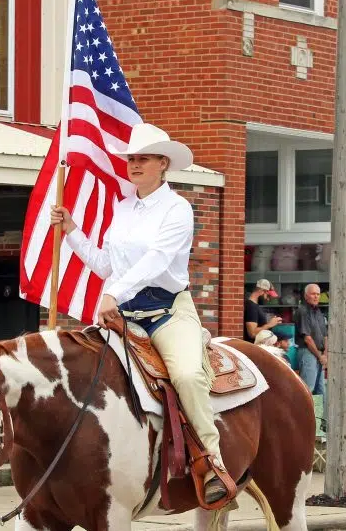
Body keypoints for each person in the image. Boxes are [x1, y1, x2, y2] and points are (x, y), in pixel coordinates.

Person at [51, 123, 230, 504]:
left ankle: (212, 461)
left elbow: (157, 260)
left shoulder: (178, 208)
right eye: (131, 159)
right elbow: (106, 265)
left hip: (167, 312)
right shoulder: (124, 207)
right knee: (80, 368)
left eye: (143, 158)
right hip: (124, 315)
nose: (134, 164)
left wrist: (112, 293)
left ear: (163, 164)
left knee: (186, 374)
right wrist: (72, 232)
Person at [295, 283, 328, 396]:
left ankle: (317, 414)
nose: (316, 296)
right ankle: (303, 414)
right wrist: (320, 356)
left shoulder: (319, 313)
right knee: (309, 389)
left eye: (318, 294)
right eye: (313, 294)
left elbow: (325, 336)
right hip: (307, 352)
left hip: (319, 354)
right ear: (305, 296)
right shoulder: (302, 311)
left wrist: (325, 355)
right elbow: (307, 339)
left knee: (320, 391)